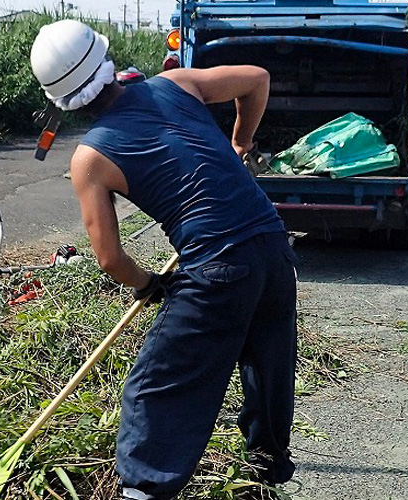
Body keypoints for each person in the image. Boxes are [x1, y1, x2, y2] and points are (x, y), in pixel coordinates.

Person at [29, 20, 298, 500]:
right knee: (267, 365)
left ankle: (145, 490)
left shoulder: (89, 158)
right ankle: (265, 471)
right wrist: (241, 143)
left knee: (156, 387)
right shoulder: (176, 83)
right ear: (106, 62)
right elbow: (257, 79)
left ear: (60, 101)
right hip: (273, 249)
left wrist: (149, 284)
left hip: (217, 268)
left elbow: (110, 260)